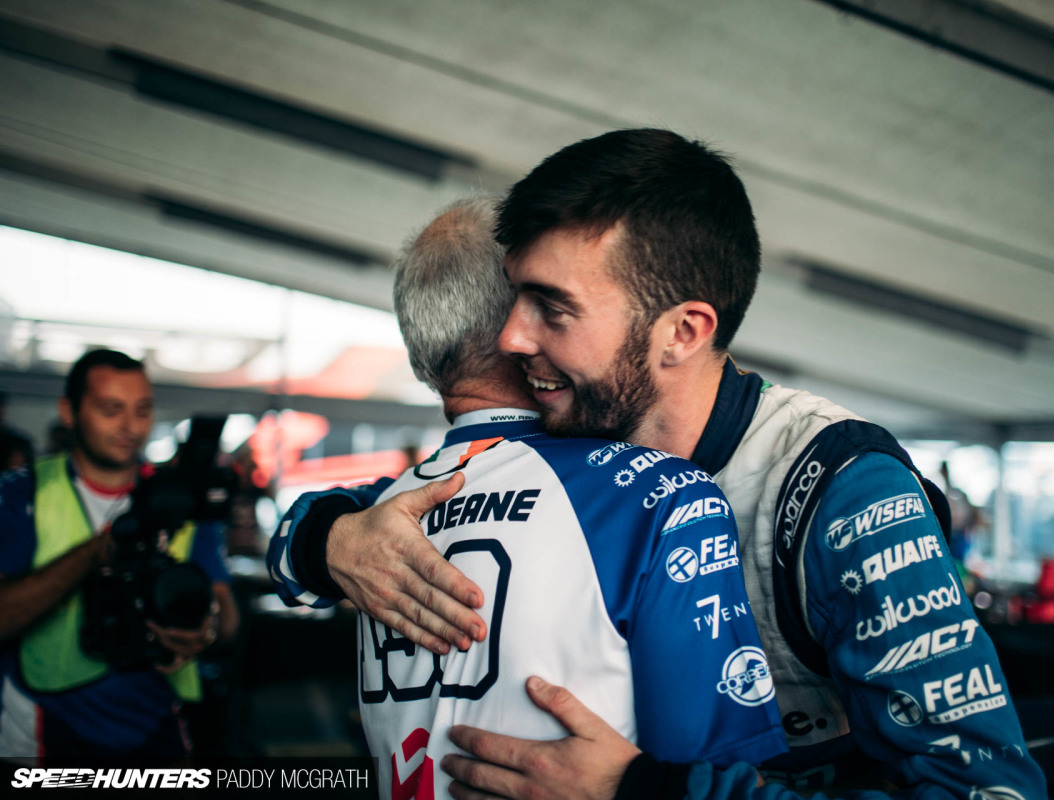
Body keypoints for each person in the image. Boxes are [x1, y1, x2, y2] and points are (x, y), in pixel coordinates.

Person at [270, 131, 1047, 800]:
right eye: (513, 299)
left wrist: (643, 790)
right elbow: (348, 520)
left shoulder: (842, 489)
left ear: (682, 332)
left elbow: (990, 790)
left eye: (552, 306)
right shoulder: (567, 440)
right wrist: (332, 539)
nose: (507, 338)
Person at [267, 197, 786, 798]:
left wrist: (321, 539)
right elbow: (721, 762)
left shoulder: (374, 518)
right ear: (519, 326)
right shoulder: (657, 495)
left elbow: (292, 547)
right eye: (550, 301)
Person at [0, 349, 237, 759]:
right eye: (111, 409)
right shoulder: (20, 494)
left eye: (142, 410)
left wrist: (207, 627)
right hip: (43, 726)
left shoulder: (180, 496)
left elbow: (228, 615)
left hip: (157, 726)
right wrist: (95, 554)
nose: (130, 426)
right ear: (69, 411)